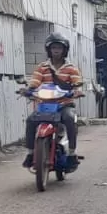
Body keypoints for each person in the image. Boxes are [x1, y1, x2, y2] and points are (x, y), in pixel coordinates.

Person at [23, 32, 83, 166]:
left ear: (64, 50)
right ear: (49, 50)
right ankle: (30, 153)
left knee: (69, 119)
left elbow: (77, 83)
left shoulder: (71, 68)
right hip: (45, 105)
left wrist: (76, 91)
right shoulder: (42, 67)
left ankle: (72, 153)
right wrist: (29, 89)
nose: (56, 50)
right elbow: (35, 81)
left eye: (59, 48)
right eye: (53, 47)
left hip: (64, 104)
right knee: (30, 120)